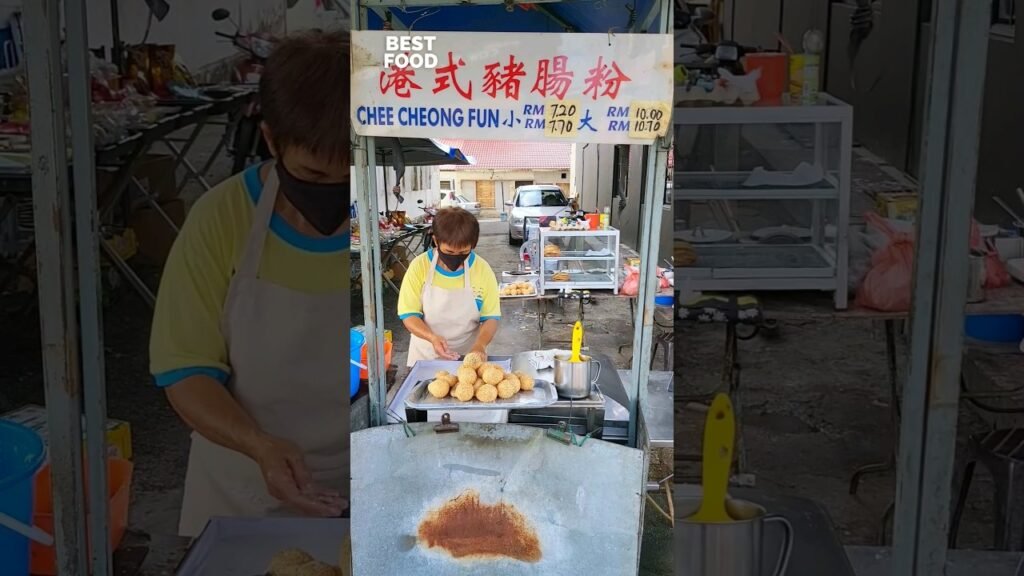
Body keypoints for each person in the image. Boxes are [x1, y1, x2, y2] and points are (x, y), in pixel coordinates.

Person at [149, 31, 350, 537]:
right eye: (313, 175)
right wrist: (259, 446)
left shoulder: (386, 222)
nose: (335, 194)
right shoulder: (221, 219)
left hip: (364, 480)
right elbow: (185, 371)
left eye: (351, 177)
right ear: (271, 140)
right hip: (242, 488)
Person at [398, 207, 501, 365]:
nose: (456, 258)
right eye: (450, 252)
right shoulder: (419, 267)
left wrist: (480, 345)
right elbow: (408, 314)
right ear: (436, 240)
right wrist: (432, 338)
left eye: (463, 252)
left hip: (468, 358)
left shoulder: (482, 270)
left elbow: (490, 317)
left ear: (473, 245)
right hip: (425, 356)